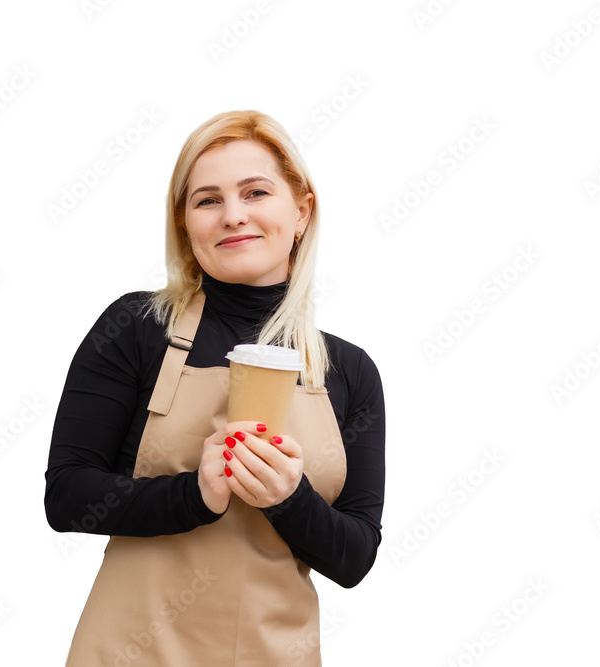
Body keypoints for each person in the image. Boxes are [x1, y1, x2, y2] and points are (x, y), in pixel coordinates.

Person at [43, 109, 386, 665]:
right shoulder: (136, 328)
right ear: (185, 223)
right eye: (207, 200)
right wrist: (193, 495)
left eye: (255, 193)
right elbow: (66, 497)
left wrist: (288, 499)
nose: (233, 216)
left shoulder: (348, 371)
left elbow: (355, 558)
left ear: (300, 212)